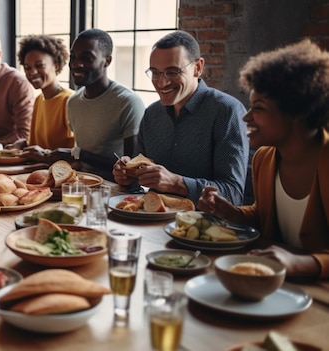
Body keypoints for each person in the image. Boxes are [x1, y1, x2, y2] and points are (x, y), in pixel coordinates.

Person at [198, 39, 329, 279]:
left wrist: (300, 263)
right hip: (275, 283)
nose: (247, 117)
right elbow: (267, 215)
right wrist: (234, 214)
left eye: (258, 108)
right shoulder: (264, 159)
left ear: (297, 112)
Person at [113, 31, 248, 205]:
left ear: (197, 68)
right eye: (155, 73)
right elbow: (139, 184)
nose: (161, 83)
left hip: (206, 226)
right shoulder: (151, 114)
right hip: (152, 221)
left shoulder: (227, 111)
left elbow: (233, 194)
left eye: (172, 72)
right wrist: (128, 176)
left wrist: (178, 183)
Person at [26, 29, 144, 181]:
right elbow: (80, 159)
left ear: (107, 61)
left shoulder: (127, 102)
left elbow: (132, 169)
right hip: (81, 184)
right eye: (73, 57)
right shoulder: (73, 102)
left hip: (117, 191)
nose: (76, 64)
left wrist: (78, 154)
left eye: (86, 58)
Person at [9, 34, 74, 150]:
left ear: (56, 66)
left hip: (62, 168)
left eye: (40, 65)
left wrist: (45, 155)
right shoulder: (39, 99)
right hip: (39, 167)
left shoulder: (69, 101)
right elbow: (37, 145)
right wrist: (23, 144)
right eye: (27, 68)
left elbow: (79, 152)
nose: (32, 72)